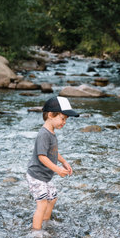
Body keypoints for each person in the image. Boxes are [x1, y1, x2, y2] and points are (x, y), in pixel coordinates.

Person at [26, 96, 79, 231]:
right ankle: (36, 232)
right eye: (63, 118)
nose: (65, 122)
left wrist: (64, 162)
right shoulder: (43, 134)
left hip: (45, 176)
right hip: (37, 175)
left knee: (53, 198)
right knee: (42, 203)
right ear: (50, 115)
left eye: (66, 119)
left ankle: (46, 222)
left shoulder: (51, 133)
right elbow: (42, 156)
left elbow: (53, 152)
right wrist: (57, 169)